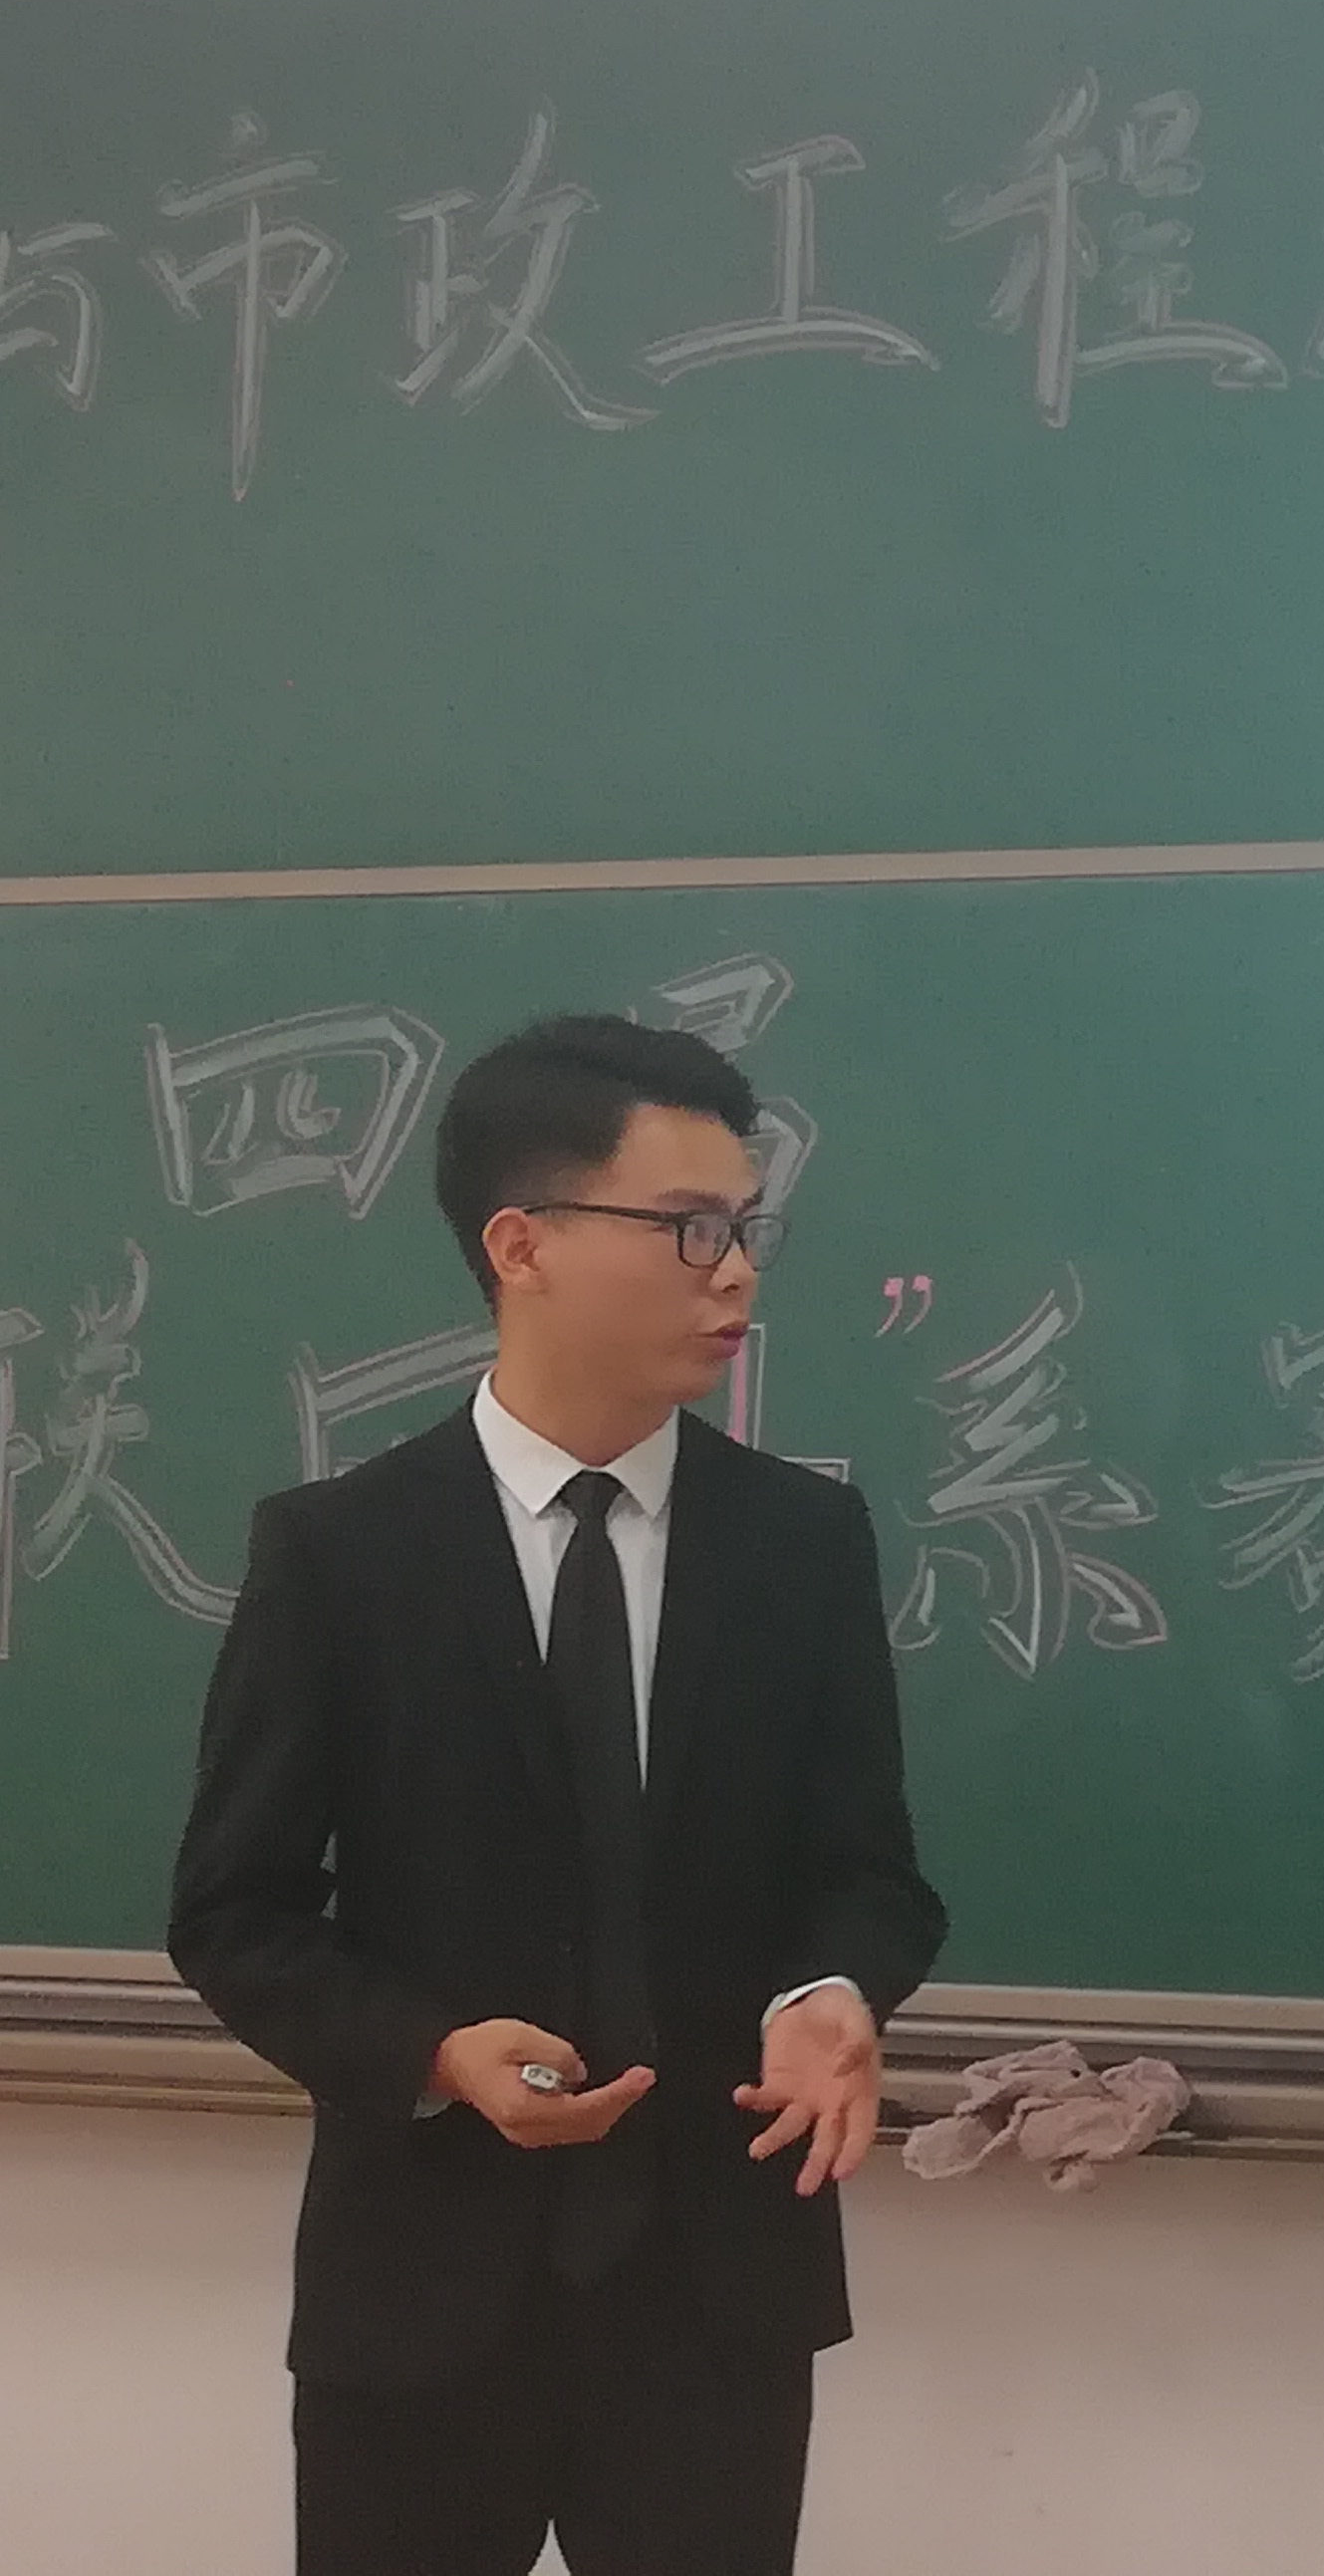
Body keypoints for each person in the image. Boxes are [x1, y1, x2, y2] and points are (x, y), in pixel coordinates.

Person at [170, 1012, 946, 2576]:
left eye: (749, 1229)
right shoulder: (340, 1554)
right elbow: (237, 1916)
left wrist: (832, 1990)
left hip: (716, 2299)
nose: (737, 1274)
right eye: (690, 1228)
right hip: (421, 2294)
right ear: (521, 1243)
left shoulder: (800, 1547)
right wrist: (432, 2051)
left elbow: (868, 1873)